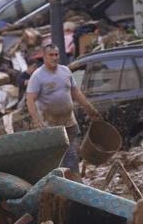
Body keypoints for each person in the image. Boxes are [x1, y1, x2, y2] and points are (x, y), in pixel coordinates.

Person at [26, 44, 101, 178]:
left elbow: (76, 93)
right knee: (66, 153)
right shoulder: (38, 76)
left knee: (72, 152)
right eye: (51, 55)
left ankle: (69, 179)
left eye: (56, 54)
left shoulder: (65, 71)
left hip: (69, 121)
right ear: (44, 57)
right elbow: (30, 99)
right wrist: (36, 121)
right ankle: (73, 182)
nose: (54, 58)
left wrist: (89, 109)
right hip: (51, 124)